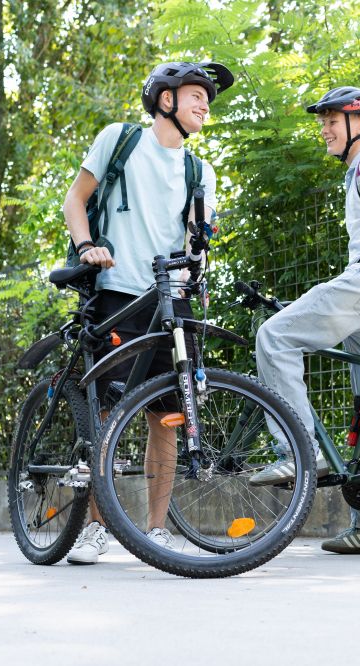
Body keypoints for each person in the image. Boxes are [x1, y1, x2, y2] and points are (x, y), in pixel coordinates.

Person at [61, 61, 234, 565]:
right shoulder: (121, 140)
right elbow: (76, 199)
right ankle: (97, 527)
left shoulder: (199, 170)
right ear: (165, 99)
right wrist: (87, 244)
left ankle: (156, 531)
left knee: (167, 419)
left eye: (208, 97)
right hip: (116, 290)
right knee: (108, 412)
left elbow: (196, 238)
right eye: (196, 93)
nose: (205, 103)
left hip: (170, 301)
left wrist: (200, 254)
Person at [249, 87, 360, 555]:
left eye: (334, 120)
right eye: (323, 121)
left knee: (275, 337)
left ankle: (298, 451)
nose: (325, 129)